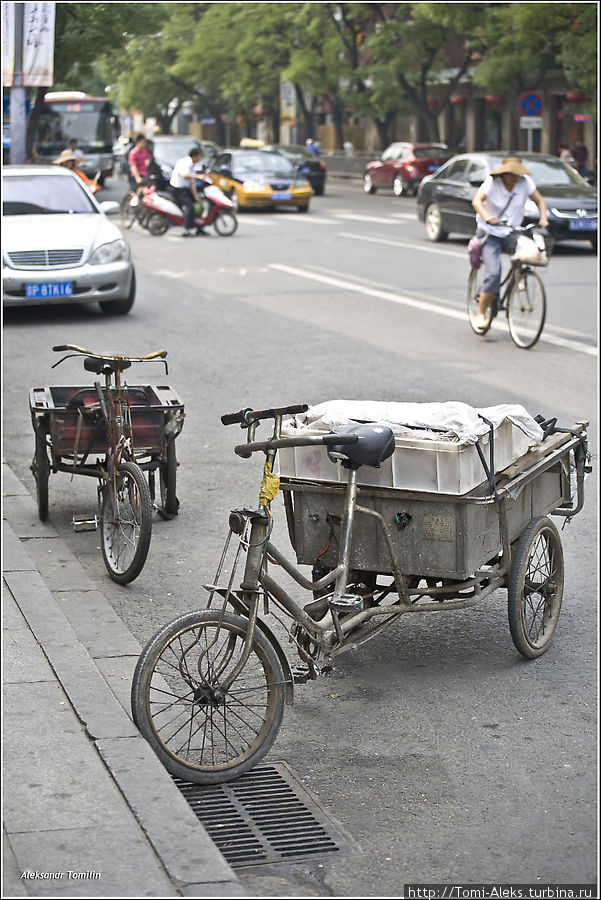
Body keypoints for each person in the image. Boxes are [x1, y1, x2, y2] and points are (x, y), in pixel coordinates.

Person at [471, 156, 548, 332]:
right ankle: (481, 313)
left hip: (512, 231)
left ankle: (519, 279)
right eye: (511, 175)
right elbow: (477, 201)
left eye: (517, 175)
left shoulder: (525, 183)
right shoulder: (492, 183)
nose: (514, 178)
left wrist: (543, 217)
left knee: (530, 254)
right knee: (494, 272)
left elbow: (539, 201)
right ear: (503, 174)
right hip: (490, 233)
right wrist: (487, 217)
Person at [169, 147, 204, 236]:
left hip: (185, 189)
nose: (200, 158)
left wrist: (196, 197)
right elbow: (185, 176)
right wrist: (198, 176)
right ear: (195, 156)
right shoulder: (185, 163)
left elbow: (192, 183)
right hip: (177, 189)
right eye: (200, 156)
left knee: (198, 204)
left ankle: (199, 228)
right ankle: (187, 229)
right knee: (190, 206)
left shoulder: (192, 165)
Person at [127, 134, 152, 203]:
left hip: (145, 174)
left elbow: (148, 158)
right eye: (143, 143)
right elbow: (133, 166)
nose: (144, 144)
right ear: (137, 142)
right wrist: (137, 177)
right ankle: (135, 200)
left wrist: (146, 163)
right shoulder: (133, 153)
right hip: (136, 175)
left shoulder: (144, 151)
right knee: (141, 188)